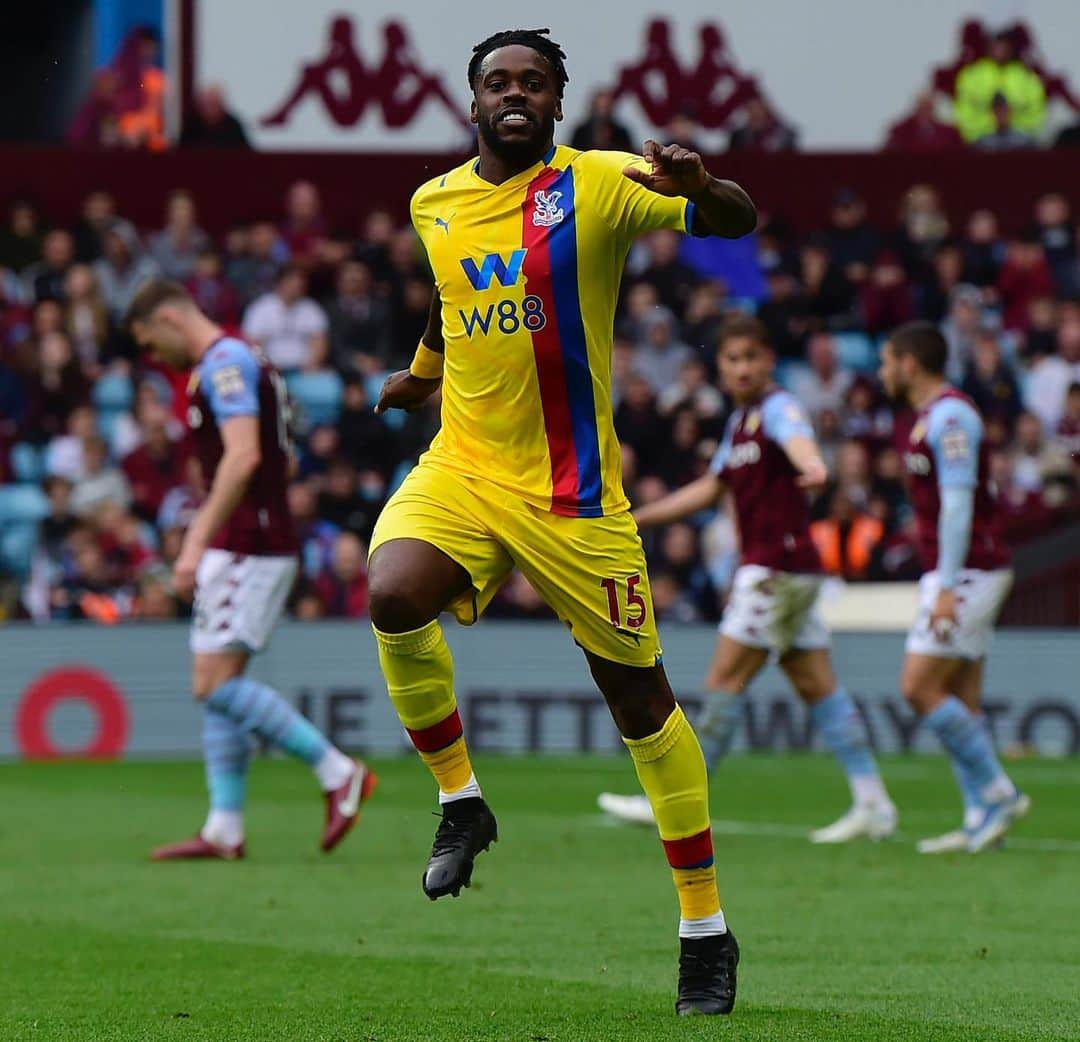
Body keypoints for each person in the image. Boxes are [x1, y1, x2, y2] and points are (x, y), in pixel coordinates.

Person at [368, 28, 755, 1017]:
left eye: (533, 82)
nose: (515, 94)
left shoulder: (606, 182)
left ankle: (704, 929)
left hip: (573, 495)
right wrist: (418, 380)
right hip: (460, 465)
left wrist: (701, 185)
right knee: (390, 593)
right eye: (498, 80)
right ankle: (462, 801)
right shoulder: (433, 200)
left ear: (556, 101)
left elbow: (736, 222)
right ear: (472, 100)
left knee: (642, 706)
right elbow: (454, 303)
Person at [598, 317, 897, 843]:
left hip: (775, 569)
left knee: (723, 682)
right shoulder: (741, 424)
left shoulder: (778, 408)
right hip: (790, 570)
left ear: (768, 362)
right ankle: (873, 801)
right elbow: (712, 488)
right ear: (720, 367)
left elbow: (801, 441)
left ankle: (671, 801)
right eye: (732, 359)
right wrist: (639, 517)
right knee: (816, 685)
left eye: (751, 358)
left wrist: (815, 467)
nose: (742, 367)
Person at [125, 280, 376, 861]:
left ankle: (339, 771)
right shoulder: (246, 357)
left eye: (149, 342)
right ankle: (224, 827)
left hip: (249, 544)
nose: (153, 357)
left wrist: (196, 542)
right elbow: (280, 458)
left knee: (211, 684)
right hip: (253, 537)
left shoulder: (226, 364)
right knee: (219, 687)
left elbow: (246, 457)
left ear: (167, 318)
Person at [878, 321, 1028, 854]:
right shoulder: (928, 419)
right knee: (962, 697)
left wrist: (945, 584)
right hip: (959, 569)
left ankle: (999, 791)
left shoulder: (952, 416)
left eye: (887, 361)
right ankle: (981, 820)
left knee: (917, 687)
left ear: (910, 364)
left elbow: (960, 504)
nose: (882, 372)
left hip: (968, 571)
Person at [954, 32, 1045, 143]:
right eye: (997, 47)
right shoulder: (972, 75)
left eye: (1004, 47)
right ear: (989, 48)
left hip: (1020, 138)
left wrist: (1011, 122)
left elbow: (1037, 109)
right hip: (980, 137)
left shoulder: (1025, 75)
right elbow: (963, 111)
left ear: (1011, 49)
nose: (1000, 51)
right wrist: (992, 123)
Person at [180, 85, 251, 148]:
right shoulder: (192, 125)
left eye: (214, 103)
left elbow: (244, 152)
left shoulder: (233, 126)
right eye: (207, 103)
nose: (210, 108)